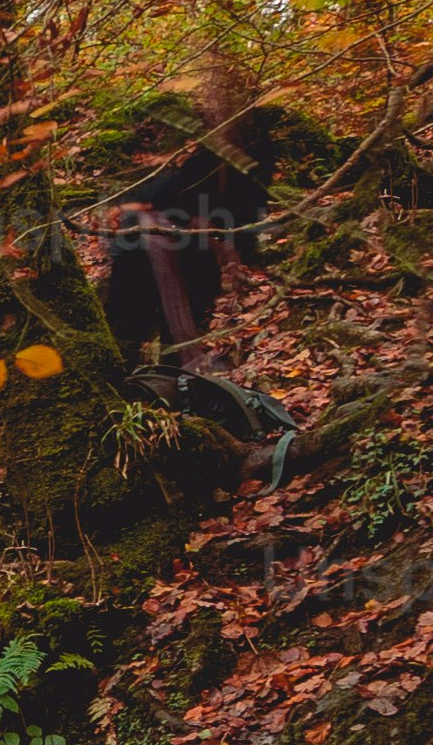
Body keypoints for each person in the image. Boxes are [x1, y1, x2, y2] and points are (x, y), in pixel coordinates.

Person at [81, 108, 299, 472]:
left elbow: (245, 223)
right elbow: (162, 199)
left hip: (192, 259)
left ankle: (172, 404)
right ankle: (125, 401)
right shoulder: (204, 164)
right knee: (131, 330)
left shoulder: (247, 168)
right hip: (147, 252)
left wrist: (232, 253)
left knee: (176, 336)